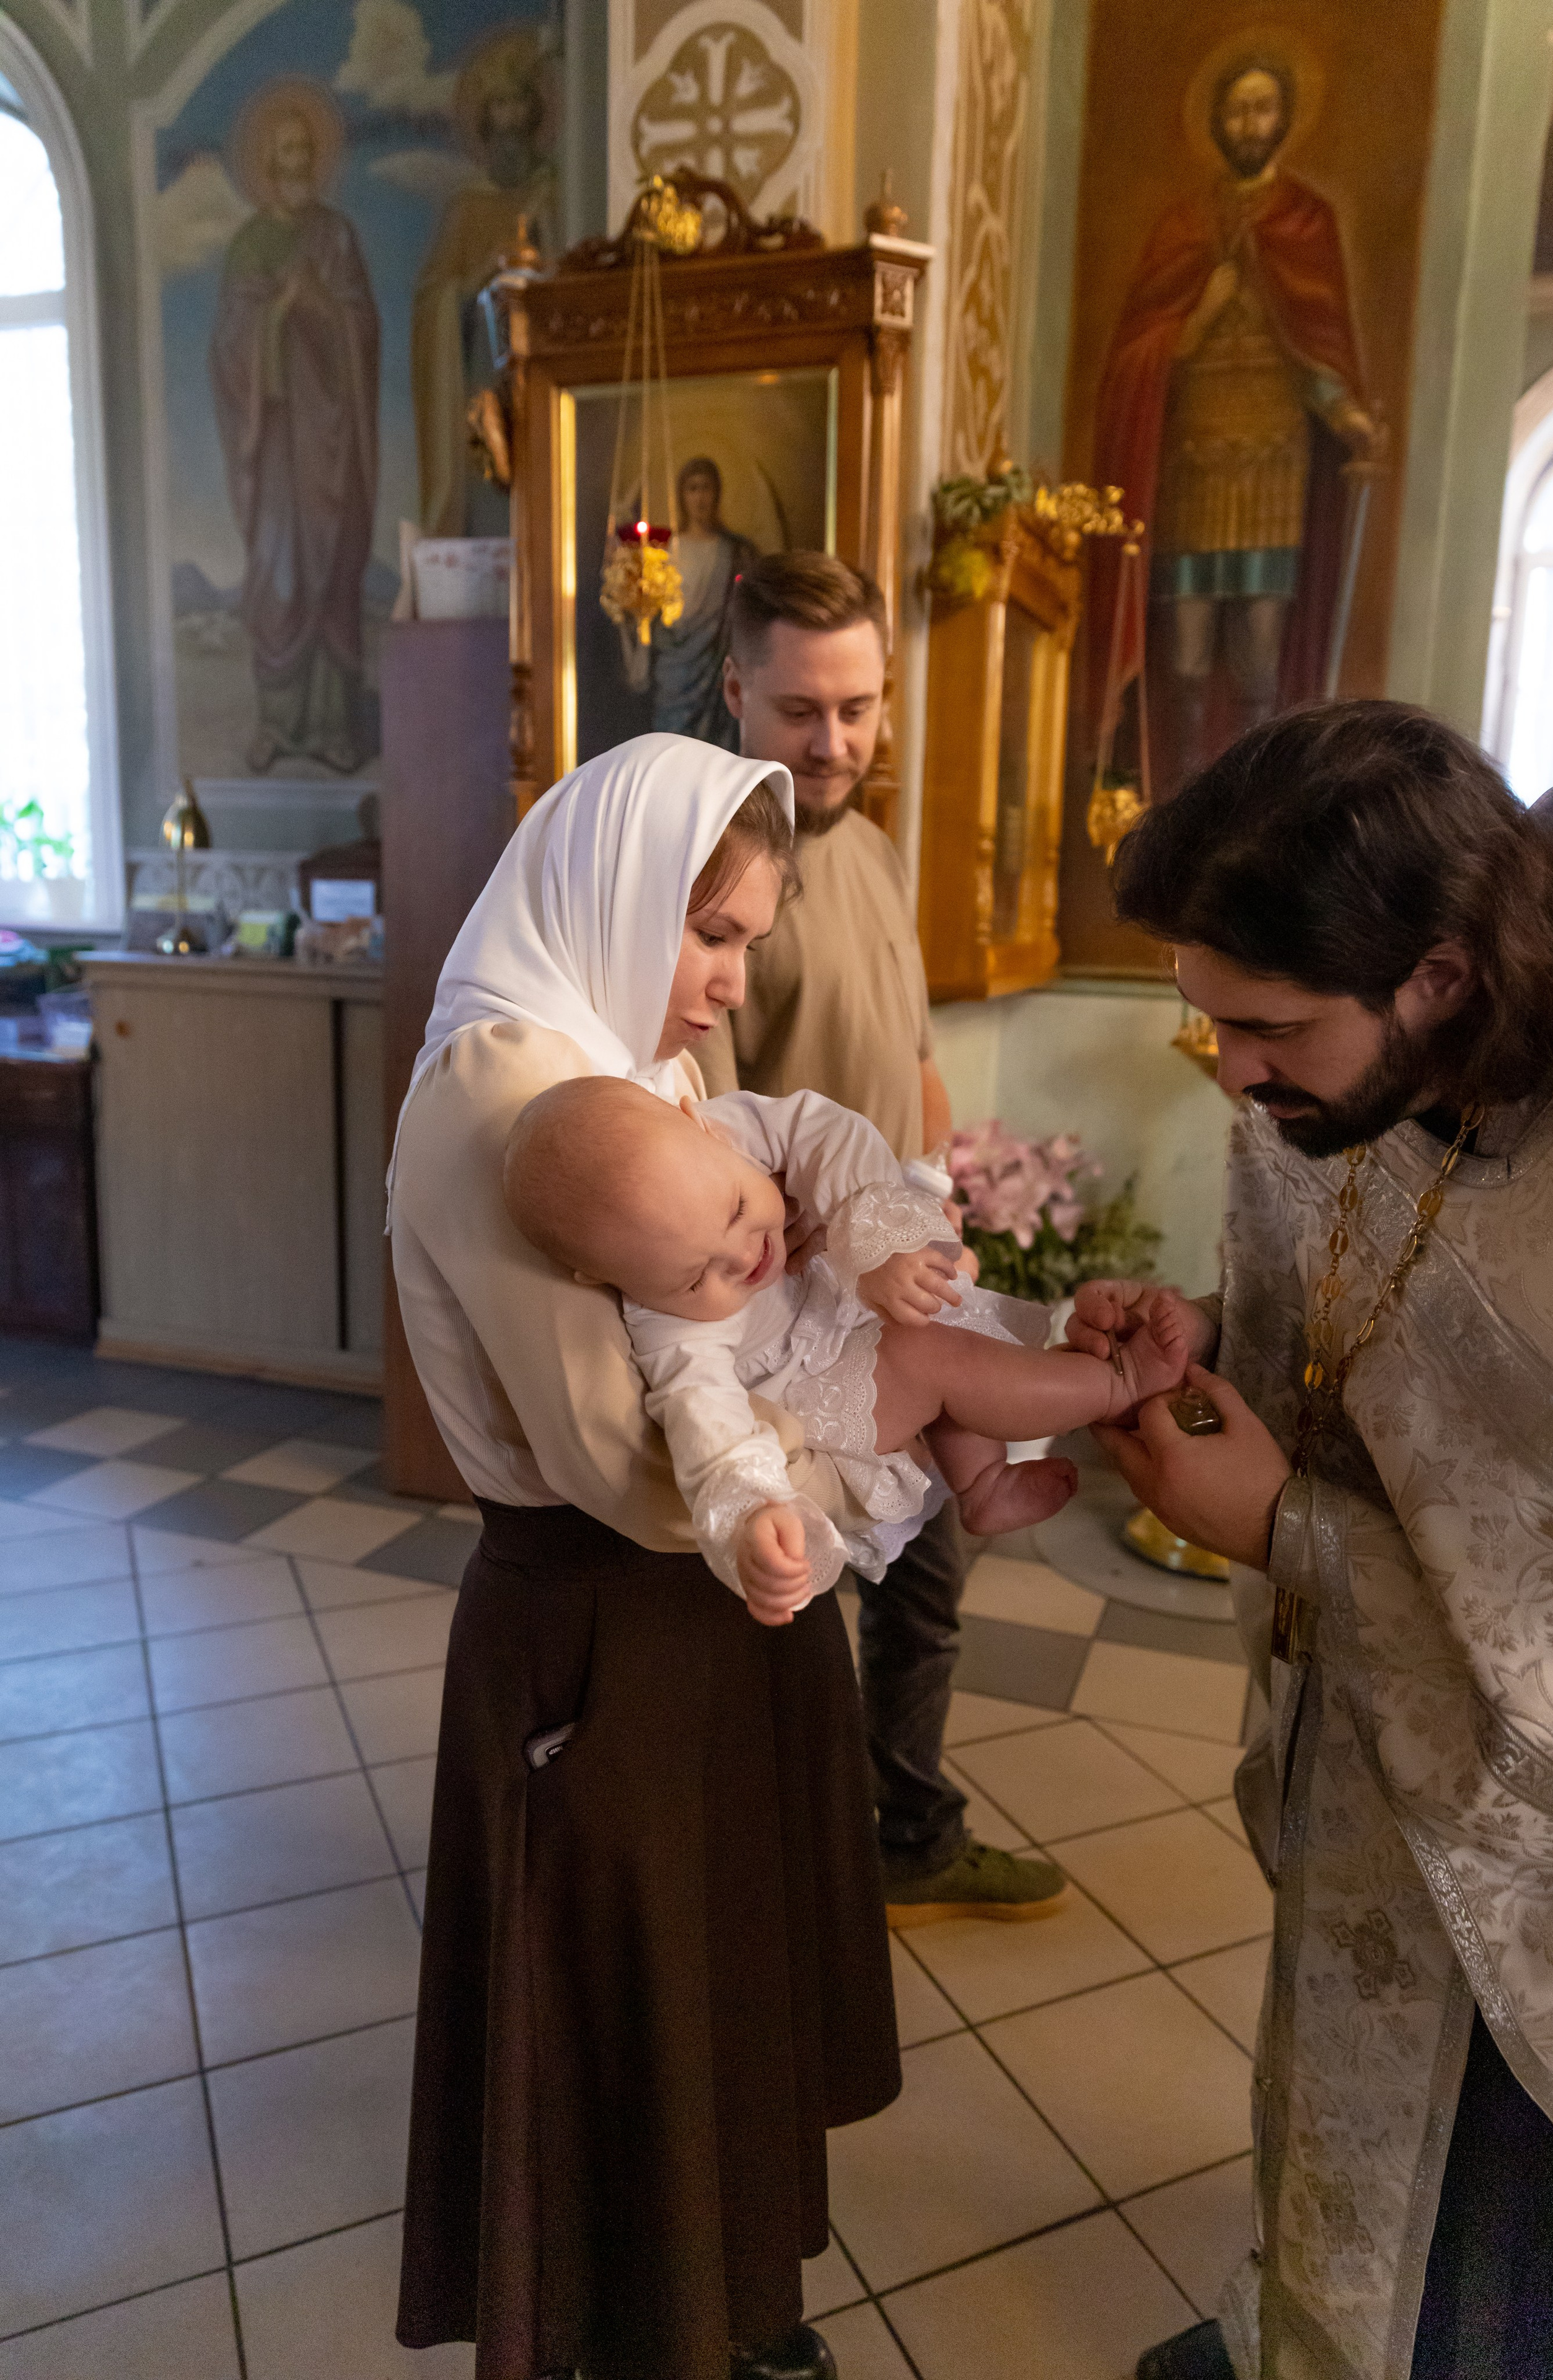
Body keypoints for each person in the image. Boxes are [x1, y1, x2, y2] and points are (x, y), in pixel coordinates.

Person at [1071, 702, 1553, 2380]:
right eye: (1209, 1021)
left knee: (1486, 2267)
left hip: (1538, 1892)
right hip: (1357, 1764)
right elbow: (1337, 1338)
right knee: (1329, 2139)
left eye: (1271, 1027)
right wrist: (1206, 1338)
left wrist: (1295, 1535)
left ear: (1439, 976)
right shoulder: (1314, 1116)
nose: (1230, 1071)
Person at [390, 734, 902, 2380]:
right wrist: (882, 1425)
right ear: (611, 890)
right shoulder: (505, 1092)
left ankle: (744, 2318)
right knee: (629, 2061)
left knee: (719, 2012)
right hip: (606, 1632)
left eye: (747, 940)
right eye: (713, 937)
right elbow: (624, 1468)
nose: (727, 987)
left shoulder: (617, 1052)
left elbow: (727, 1329)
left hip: (708, 1617)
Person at [703, 549, 1070, 1925]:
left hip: (896, 1295)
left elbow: (909, 1063)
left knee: (926, 1593)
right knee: (777, 1615)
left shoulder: (868, 845)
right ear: (736, 688)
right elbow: (713, 1141)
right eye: (801, 709)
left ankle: (906, 1833)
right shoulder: (720, 865)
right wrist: (846, 1256)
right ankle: (770, 1869)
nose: (835, 740)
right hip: (789, 1328)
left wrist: (937, 1212)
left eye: (858, 707)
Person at [505, 1075, 1185, 1599]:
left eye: (738, 1208)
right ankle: (1114, 1384)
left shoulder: (728, 1126)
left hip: (844, 1307)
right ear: (606, 1279)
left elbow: (823, 1130)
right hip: (812, 1398)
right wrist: (749, 1514)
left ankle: (982, 1482)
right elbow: (703, 1421)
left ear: (698, 1124)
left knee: (927, 1316)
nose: (745, 1257)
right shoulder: (666, 1326)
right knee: (929, 1355)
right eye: (694, 1277)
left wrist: (876, 1242)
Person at [1090, 48, 1382, 787]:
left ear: (1283, 118)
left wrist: (1347, 415)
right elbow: (1143, 351)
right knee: (1185, 660)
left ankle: (1244, 803)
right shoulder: (1188, 223)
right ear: (1216, 120)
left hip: (1273, 468)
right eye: (1237, 108)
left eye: (1263, 108)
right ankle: (1181, 794)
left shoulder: (1304, 220)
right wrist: (1205, 310)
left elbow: (1319, 345)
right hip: (1193, 466)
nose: (1250, 123)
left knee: (1258, 656)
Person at [210, 89, 378, 775]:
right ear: (267, 164)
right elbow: (227, 342)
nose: (299, 161)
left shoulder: (336, 235)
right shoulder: (251, 244)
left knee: (333, 567)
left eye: (308, 151)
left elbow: (363, 325)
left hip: (331, 437)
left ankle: (334, 725)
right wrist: (276, 315)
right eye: (287, 152)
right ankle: (278, 723)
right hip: (275, 441)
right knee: (279, 574)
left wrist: (323, 309)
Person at [410, 27, 556, 537]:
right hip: (481, 364)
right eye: (498, 107)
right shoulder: (466, 209)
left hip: (546, 364)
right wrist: (481, 277)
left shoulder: (554, 196)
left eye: (518, 105)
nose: (509, 119)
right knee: (491, 470)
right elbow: (435, 298)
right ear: (483, 121)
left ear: (535, 112)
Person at [622, 457, 757, 746]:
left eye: (706, 488)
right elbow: (647, 608)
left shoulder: (734, 552)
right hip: (673, 664)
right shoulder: (665, 550)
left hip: (714, 663)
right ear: (682, 496)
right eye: (692, 488)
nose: (700, 497)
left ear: (717, 494)